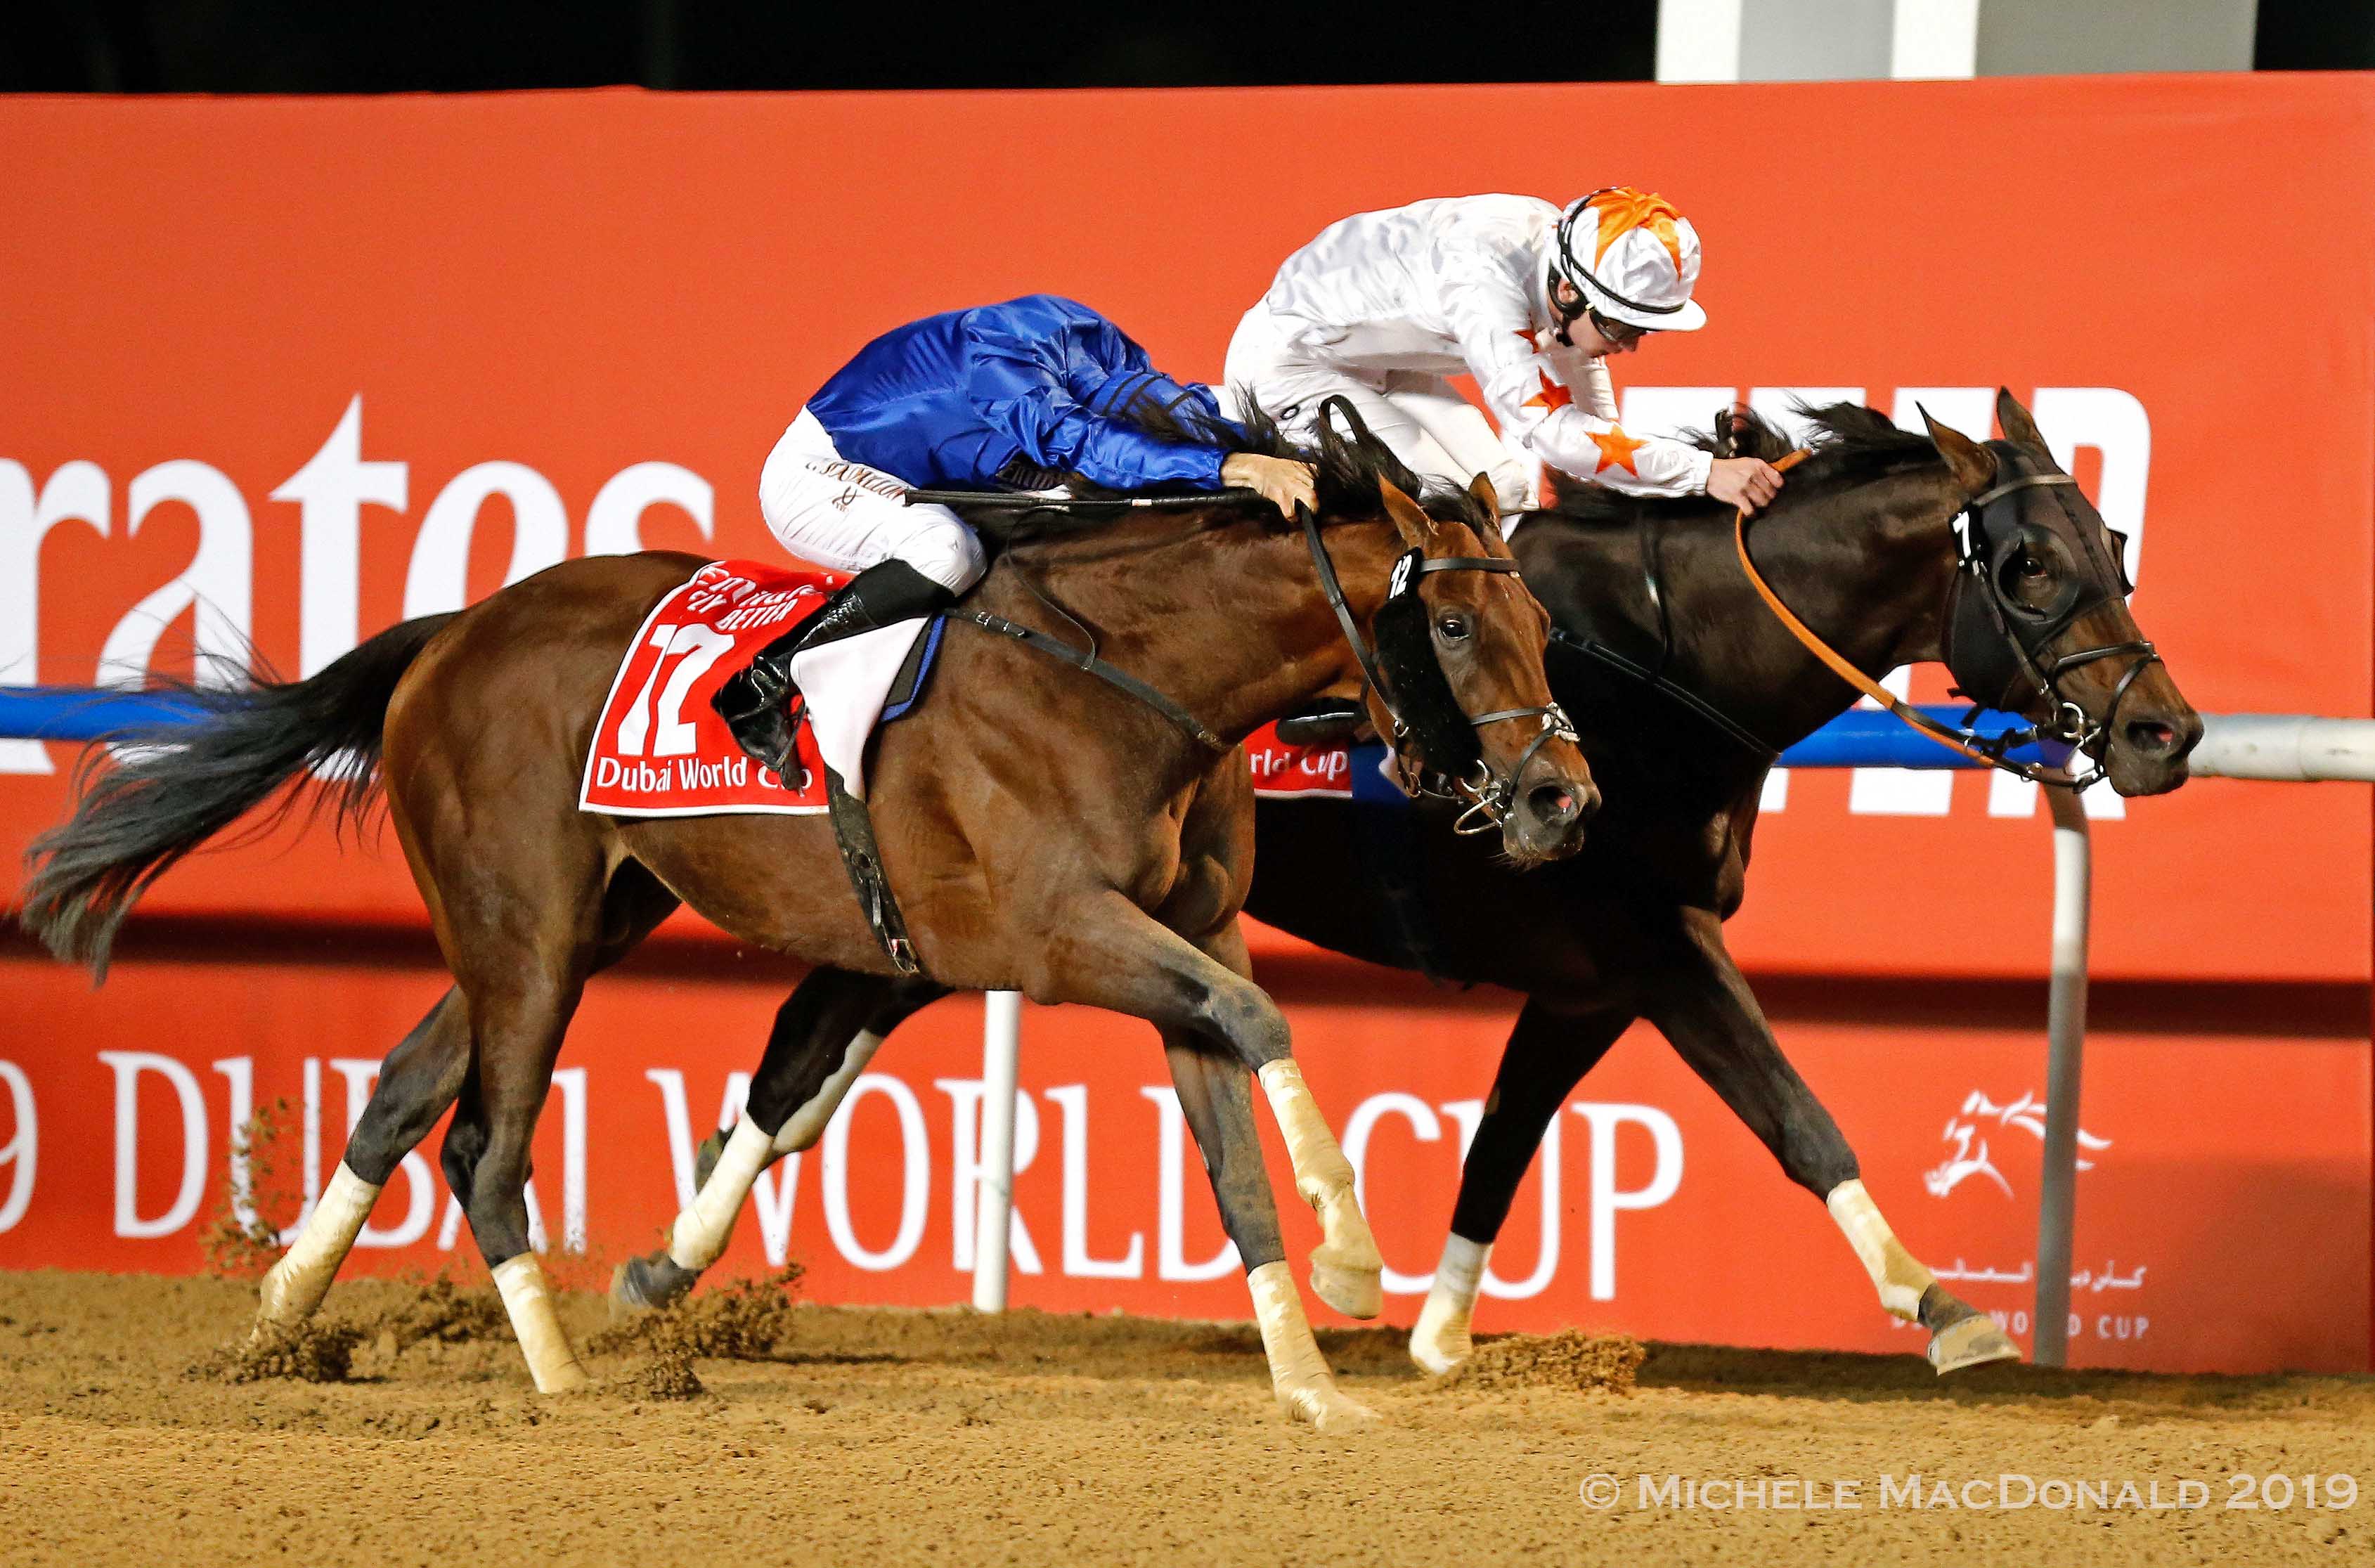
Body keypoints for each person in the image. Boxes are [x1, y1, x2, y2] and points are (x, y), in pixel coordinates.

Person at [714, 294, 1316, 777]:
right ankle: (762, 681)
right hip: (824, 472)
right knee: (948, 552)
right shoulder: (1003, 364)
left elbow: (1164, 404)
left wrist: (1267, 450)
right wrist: (1232, 469)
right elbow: (1079, 440)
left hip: (939, 466)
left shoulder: (1089, 342)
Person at [1223, 187, 1785, 519]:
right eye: (1620, 325)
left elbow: (1594, 433)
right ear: (1568, 292)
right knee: (1450, 509)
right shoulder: (1485, 281)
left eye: (1645, 329)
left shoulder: (1564, 267)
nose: (1629, 345)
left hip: (1376, 359)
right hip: (1289, 365)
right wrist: (1702, 473)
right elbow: (1558, 437)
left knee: (1508, 489)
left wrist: (1672, 485)